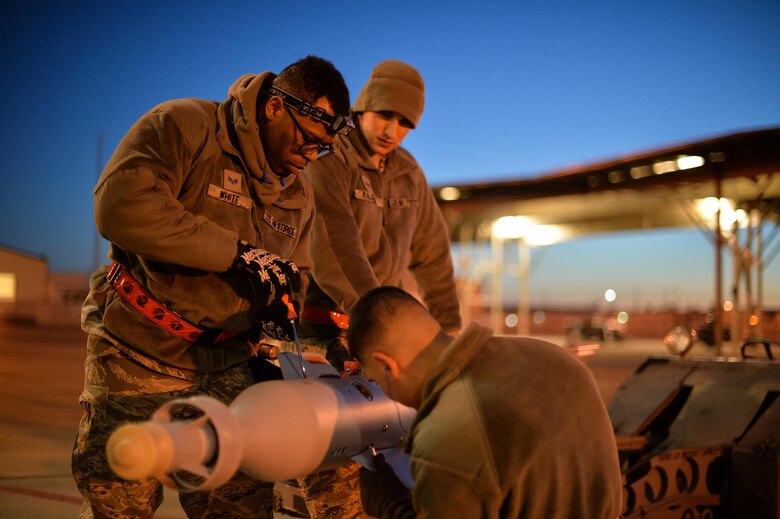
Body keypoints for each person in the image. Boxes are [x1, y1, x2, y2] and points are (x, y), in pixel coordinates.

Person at [71, 55, 353, 519]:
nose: (310, 155)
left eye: (321, 149)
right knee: (120, 504)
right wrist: (237, 254)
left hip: (228, 366)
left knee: (241, 508)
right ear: (275, 108)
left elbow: (293, 272)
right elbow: (121, 207)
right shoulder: (183, 127)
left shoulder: (298, 194)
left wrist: (281, 308)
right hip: (139, 354)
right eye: (307, 138)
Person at [294, 60, 462, 518]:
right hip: (324, 335)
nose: (393, 130)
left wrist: (448, 338)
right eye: (385, 115)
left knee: (400, 454)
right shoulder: (329, 162)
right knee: (336, 474)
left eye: (405, 122)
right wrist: (377, 323)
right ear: (363, 106)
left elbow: (433, 260)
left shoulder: (409, 173)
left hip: (382, 339)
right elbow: (337, 252)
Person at [349, 286, 624, 519]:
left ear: (387, 366)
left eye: (376, 381)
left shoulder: (446, 437)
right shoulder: (554, 356)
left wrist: (391, 504)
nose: (385, 392)